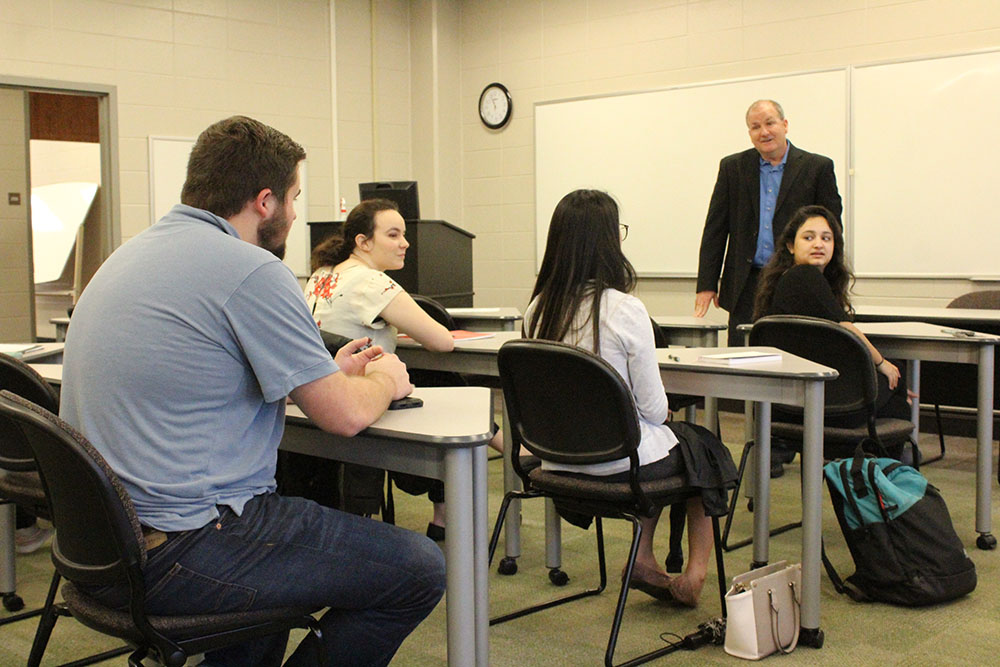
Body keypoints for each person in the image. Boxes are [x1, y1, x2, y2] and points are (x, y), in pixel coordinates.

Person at [59, 116, 445, 667]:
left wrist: (313, 370)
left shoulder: (124, 258)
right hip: (187, 548)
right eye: (292, 198)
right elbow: (343, 417)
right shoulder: (251, 269)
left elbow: (193, 378)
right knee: (417, 568)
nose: (293, 213)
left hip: (104, 550)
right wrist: (386, 378)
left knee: (271, 563)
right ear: (265, 202)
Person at [524, 189, 737, 607]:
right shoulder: (625, 309)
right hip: (617, 464)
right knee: (702, 447)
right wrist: (661, 414)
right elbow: (655, 410)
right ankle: (694, 575)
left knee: (666, 444)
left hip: (554, 459)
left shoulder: (538, 309)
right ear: (607, 243)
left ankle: (642, 557)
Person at [304, 199, 502, 541]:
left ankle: (448, 507)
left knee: (430, 379)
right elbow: (441, 341)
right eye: (393, 235)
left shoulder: (322, 276)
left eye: (405, 235)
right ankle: (506, 452)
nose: (405, 243)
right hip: (364, 404)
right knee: (447, 386)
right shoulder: (372, 283)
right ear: (363, 243)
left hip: (322, 397)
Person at [694, 99, 843, 347]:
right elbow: (715, 229)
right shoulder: (733, 168)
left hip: (796, 279)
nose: (764, 132)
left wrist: (830, 281)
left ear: (785, 125)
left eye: (770, 123)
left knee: (793, 350)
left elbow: (832, 229)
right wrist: (707, 284)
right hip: (746, 282)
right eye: (755, 127)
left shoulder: (817, 168)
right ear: (749, 133)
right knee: (742, 357)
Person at [753, 204, 911, 429]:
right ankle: (890, 461)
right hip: (828, 405)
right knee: (896, 376)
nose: (818, 244)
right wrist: (883, 364)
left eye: (826, 238)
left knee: (892, 392)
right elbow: (848, 330)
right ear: (790, 245)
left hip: (787, 405)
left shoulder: (785, 282)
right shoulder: (805, 275)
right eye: (808, 238)